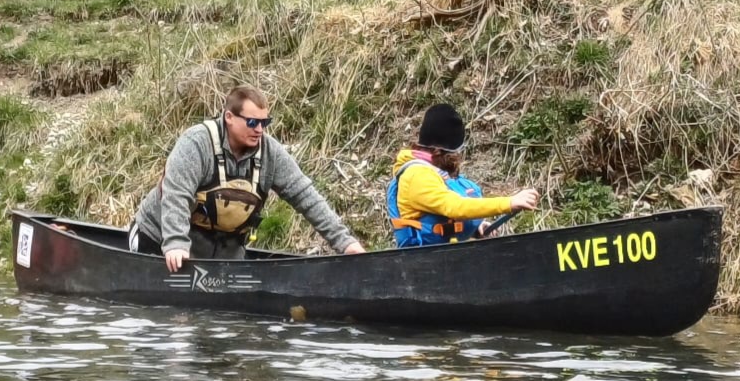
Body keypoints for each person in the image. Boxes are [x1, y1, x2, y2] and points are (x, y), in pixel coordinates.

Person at [128, 84, 366, 268]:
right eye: (252, 122)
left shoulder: (271, 153)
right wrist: (176, 244)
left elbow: (306, 197)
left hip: (221, 252)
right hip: (158, 240)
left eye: (265, 122)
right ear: (229, 118)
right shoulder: (196, 144)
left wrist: (345, 242)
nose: (259, 130)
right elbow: (177, 195)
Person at [386, 103, 538, 247]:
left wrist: (474, 226)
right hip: (423, 263)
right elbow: (455, 207)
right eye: (454, 153)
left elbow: (450, 216)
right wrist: (509, 203)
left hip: (444, 258)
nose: (458, 158)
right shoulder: (417, 175)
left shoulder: (432, 171)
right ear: (438, 151)